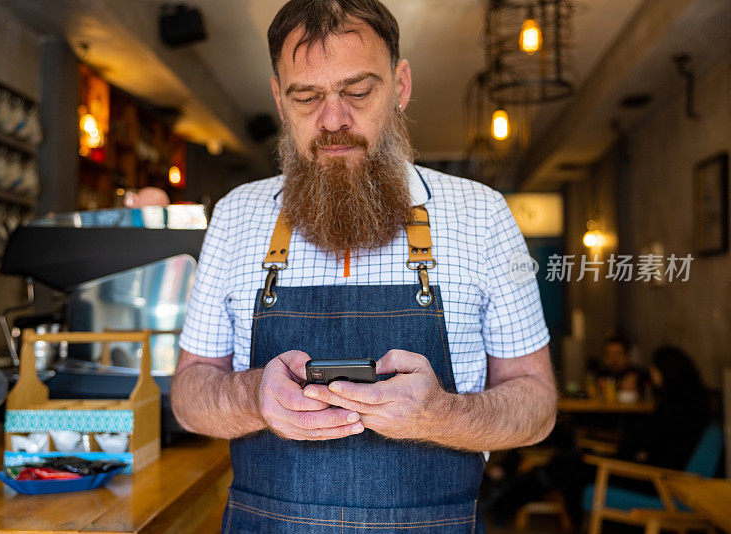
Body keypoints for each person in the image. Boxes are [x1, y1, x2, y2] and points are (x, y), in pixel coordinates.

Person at [171, 1, 556, 531]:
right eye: (306, 96)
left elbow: (537, 405)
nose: (334, 120)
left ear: (399, 87)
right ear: (279, 101)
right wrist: (253, 396)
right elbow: (190, 395)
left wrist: (438, 415)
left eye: (358, 91)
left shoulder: (483, 215)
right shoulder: (238, 215)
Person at [489, 345, 711, 528]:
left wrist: (628, 452)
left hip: (650, 479)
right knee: (568, 463)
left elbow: (639, 444)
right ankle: (504, 498)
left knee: (567, 467)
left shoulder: (673, 410)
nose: (652, 375)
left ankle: (503, 499)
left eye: (655, 369)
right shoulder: (690, 406)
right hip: (648, 473)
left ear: (665, 372)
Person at [594, 333, 645, 398]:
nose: (614, 358)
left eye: (618, 354)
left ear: (627, 356)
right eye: (610, 354)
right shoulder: (601, 373)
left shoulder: (637, 373)